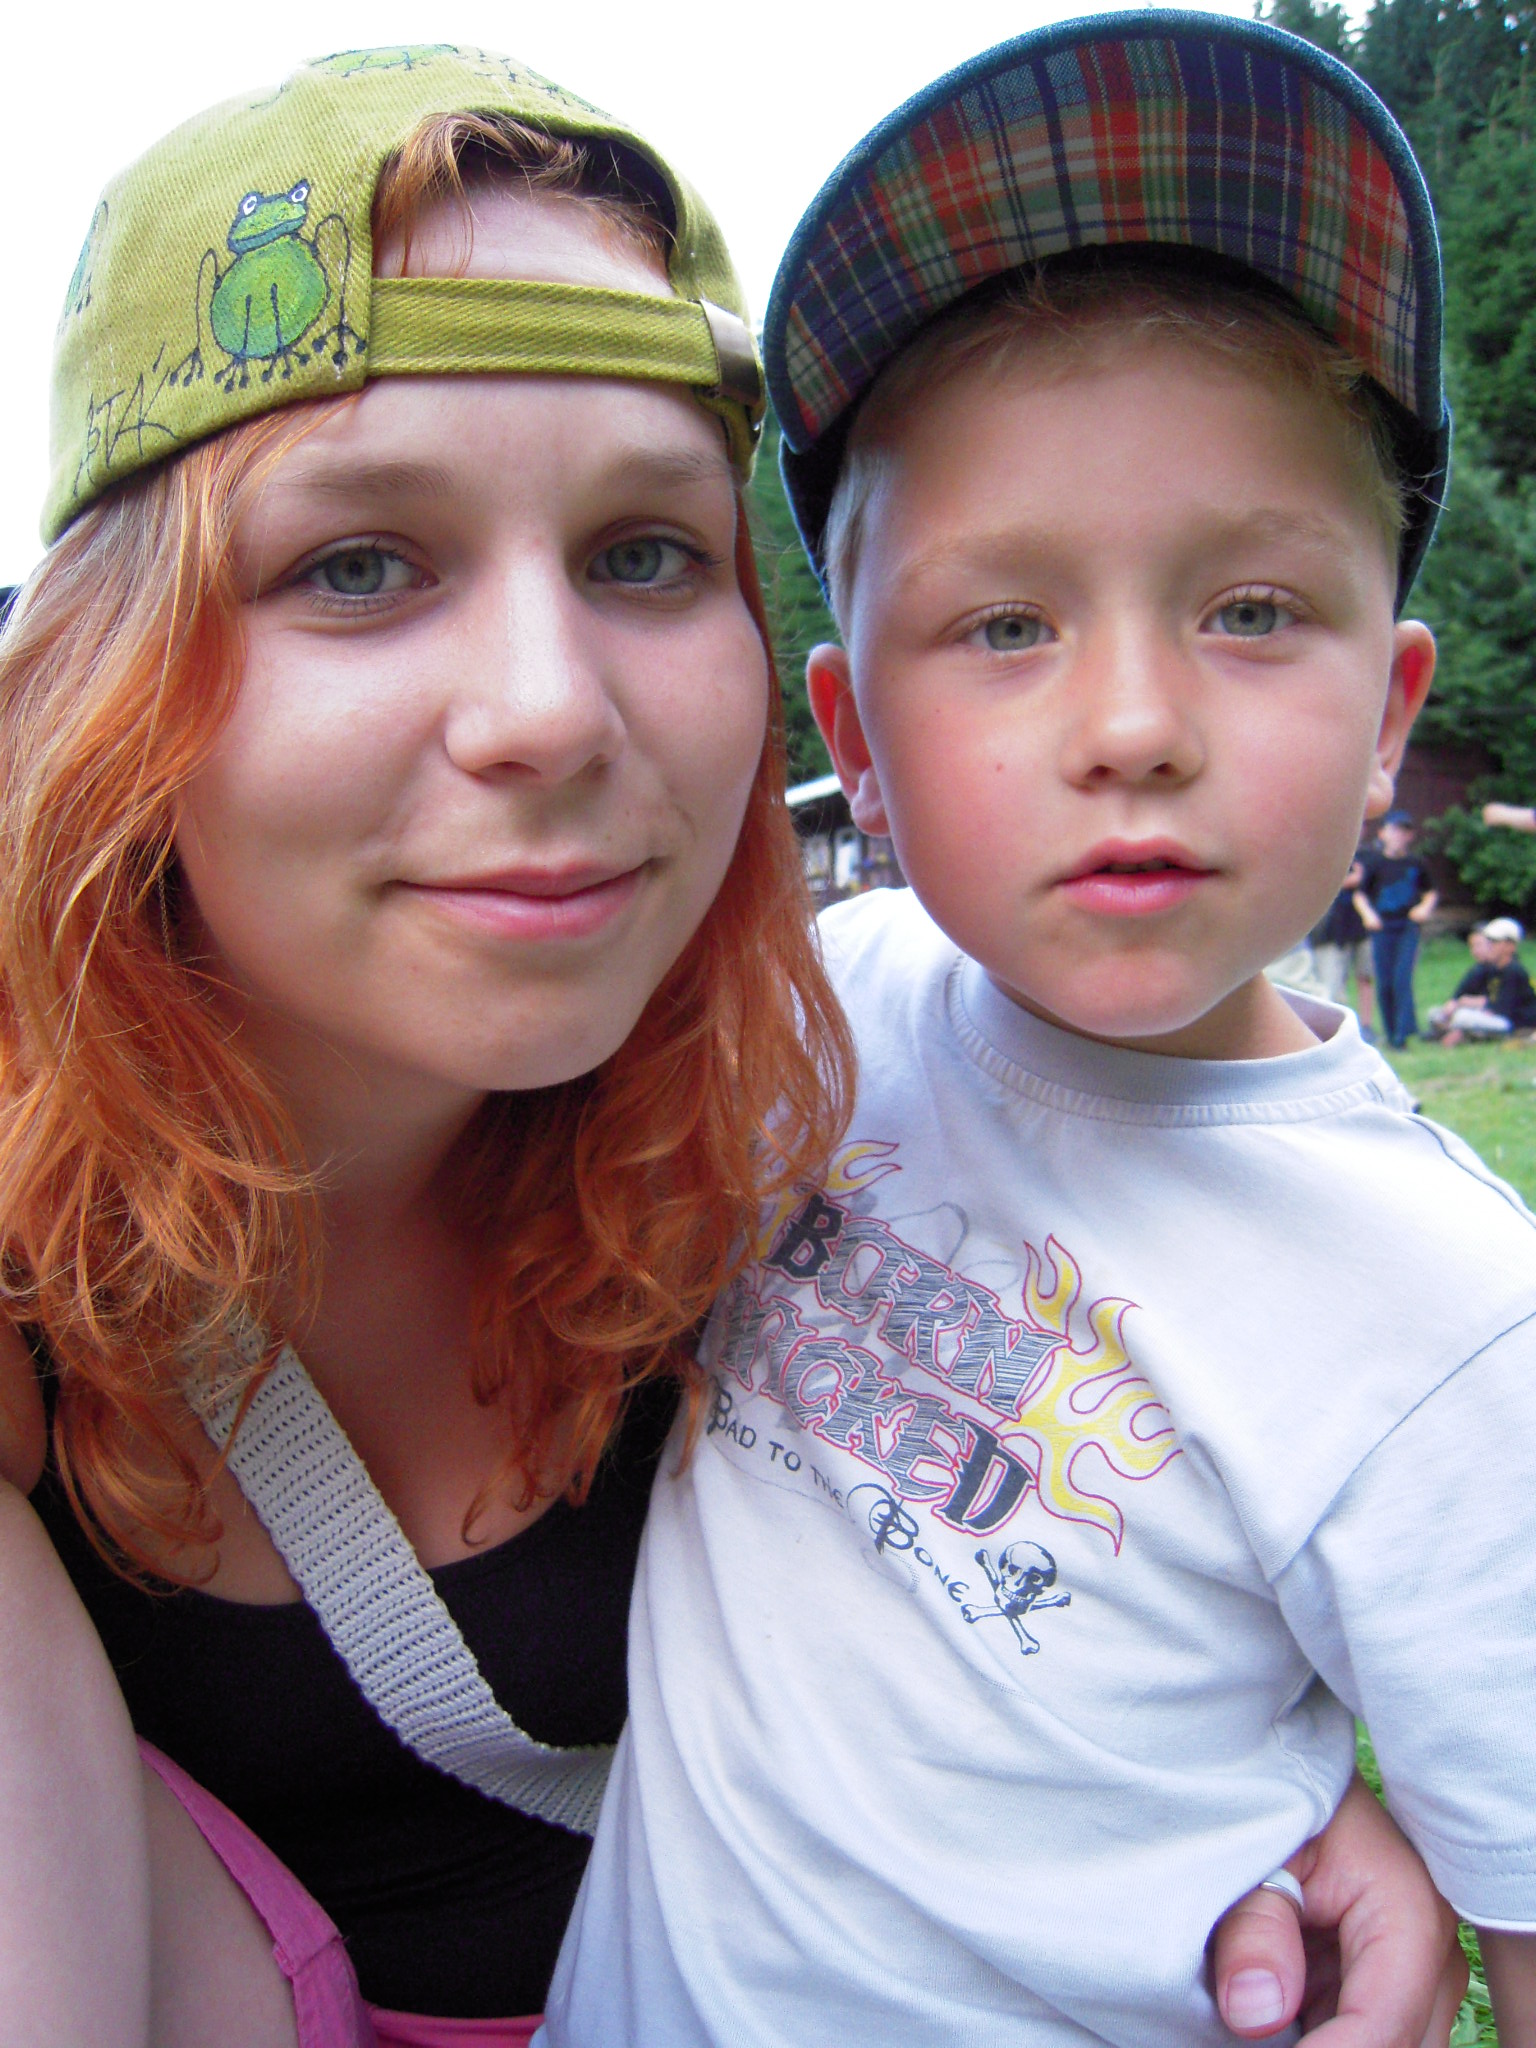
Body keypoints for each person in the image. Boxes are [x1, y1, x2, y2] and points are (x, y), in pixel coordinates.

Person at [0, 41, 1446, 2048]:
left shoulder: (826, 1125)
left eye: (644, 554)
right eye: (359, 564)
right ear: (110, 676)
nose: (549, 709)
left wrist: (1213, 1778)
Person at [543, 16, 1536, 2047]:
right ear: (855, 739)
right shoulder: (815, 1010)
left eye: (1252, 610)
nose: (1135, 725)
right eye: (1004, 625)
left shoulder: (1453, 1329)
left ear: (1389, 715)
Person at [1353, 813, 1436, 1047]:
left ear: (1410, 836)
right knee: (1385, 981)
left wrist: (1424, 908)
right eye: (1394, 830)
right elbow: (1360, 895)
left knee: (1402, 978)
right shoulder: (1375, 863)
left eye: (1404, 831)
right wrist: (1368, 915)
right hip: (1382, 928)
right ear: (1382, 834)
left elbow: (1430, 892)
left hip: (1407, 927)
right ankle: (1391, 1035)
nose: (1398, 836)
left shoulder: (1416, 864)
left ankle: (1404, 1033)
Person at [1424, 918, 1536, 1042]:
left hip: (1513, 1024)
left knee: (1463, 1016)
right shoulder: (1492, 968)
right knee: (1435, 1013)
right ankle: (1455, 1032)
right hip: (1493, 1016)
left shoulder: (1513, 971)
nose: (1490, 946)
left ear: (1510, 946)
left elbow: (1501, 1010)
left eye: (1495, 942)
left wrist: (1472, 1004)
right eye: (1489, 942)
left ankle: (1456, 1032)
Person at [1310, 853, 1376, 1035]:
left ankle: (1366, 1027)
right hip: (1330, 933)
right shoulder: (1323, 853)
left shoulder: (1367, 856)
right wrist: (1348, 881)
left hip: (1360, 929)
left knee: (1366, 977)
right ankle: (1335, 1033)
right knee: (1332, 986)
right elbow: (1314, 885)